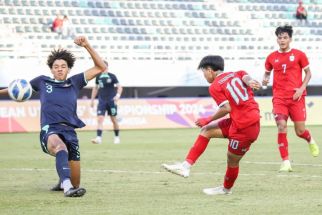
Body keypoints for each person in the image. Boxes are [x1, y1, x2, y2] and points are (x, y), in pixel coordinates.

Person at [0, 36, 106, 197]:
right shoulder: (42, 82)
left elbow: (101, 67)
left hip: (70, 132)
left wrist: (87, 46)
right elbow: (18, 88)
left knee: (76, 181)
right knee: (60, 147)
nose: (60, 69)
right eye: (56, 66)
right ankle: (67, 187)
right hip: (50, 129)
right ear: (51, 69)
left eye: (63, 66)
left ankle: (64, 182)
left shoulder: (75, 82)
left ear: (68, 69)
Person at [162, 55, 261, 195]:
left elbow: (226, 108)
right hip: (240, 121)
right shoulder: (237, 73)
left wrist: (207, 119)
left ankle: (226, 189)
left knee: (232, 161)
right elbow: (246, 77)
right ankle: (185, 166)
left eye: (203, 72)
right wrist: (251, 82)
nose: (204, 76)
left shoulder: (215, 86)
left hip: (245, 127)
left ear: (210, 70)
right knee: (206, 131)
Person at [262, 25, 319, 172]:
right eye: (280, 37)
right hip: (279, 98)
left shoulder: (299, 55)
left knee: (300, 131)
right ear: (277, 39)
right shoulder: (271, 57)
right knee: (281, 125)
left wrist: (301, 88)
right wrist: (265, 79)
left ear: (290, 39)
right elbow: (267, 73)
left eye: (285, 37)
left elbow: (308, 74)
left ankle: (310, 140)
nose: (282, 40)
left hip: (296, 97)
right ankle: (286, 161)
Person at [90, 61, 123, 144]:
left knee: (113, 120)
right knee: (100, 119)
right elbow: (96, 88)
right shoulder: (98, 77)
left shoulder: (112, 76)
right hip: (102, 101)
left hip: (111, 101)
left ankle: (116, 137)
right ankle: (98, 138)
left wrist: (117, 96)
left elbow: (119, 87)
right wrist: (92, 100)